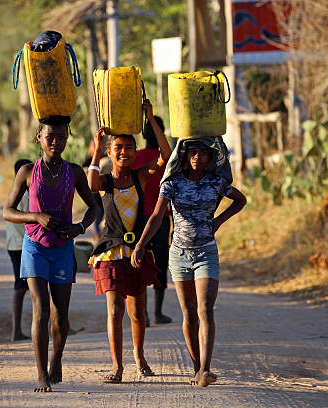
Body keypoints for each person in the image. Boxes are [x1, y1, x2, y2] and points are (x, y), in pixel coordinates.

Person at [131, 140, 246, 388]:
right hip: (179, 255)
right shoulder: (172, 183)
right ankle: (196, 368)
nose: (197, 157)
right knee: (189, 314)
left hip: (206, 252)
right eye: (193, 152)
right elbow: (155, 217)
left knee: (205, 310)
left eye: (202, 153)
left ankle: (205, 368)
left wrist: (218, 221)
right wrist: (140, 244)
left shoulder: (216, 182)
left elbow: (240, 200)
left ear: (209, 157)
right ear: (184, 156)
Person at [3, 116, 97, 392]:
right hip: (34, 247)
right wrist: (35, 217)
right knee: (41, 310)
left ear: (67, 139)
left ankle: (57, 359)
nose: (55, 142)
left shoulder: (75, 172)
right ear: (39, 139)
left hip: (63, 249)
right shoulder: (28, 172)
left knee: (61, 314)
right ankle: (42, 374)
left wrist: (79, 227)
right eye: (50, 137)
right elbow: (7, 211)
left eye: (61, 137)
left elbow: (93, 207)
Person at [87, 99, 171, 384]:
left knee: (137, 312)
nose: (124, 152)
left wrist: (150, 117)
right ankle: (117, 366)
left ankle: (139, 356)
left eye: (129, 147)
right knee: (114, 309)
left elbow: (166, 156)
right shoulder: (105, 182)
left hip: (137, 253)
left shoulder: (140, 177)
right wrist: (96, 151)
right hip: (111, 254)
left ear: (136, 152)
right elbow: (90, 184)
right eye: (118, 148)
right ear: (110, 152)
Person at [132, 116, 172, 326]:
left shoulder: (136, 157)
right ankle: (157, 313)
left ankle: (144, 315)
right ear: (160, 133)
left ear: (143, 134)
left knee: (140, 262)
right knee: (160, 264)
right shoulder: (167, 159)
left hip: (139, 219)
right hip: (161, 219)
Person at [5, 158, 32, 342]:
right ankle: (56, 326)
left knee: (21, 287)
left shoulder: (13, 193)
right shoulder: (27, 195)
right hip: (23, 246)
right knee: (30, 288)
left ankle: (16, 330)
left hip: (13, 245)